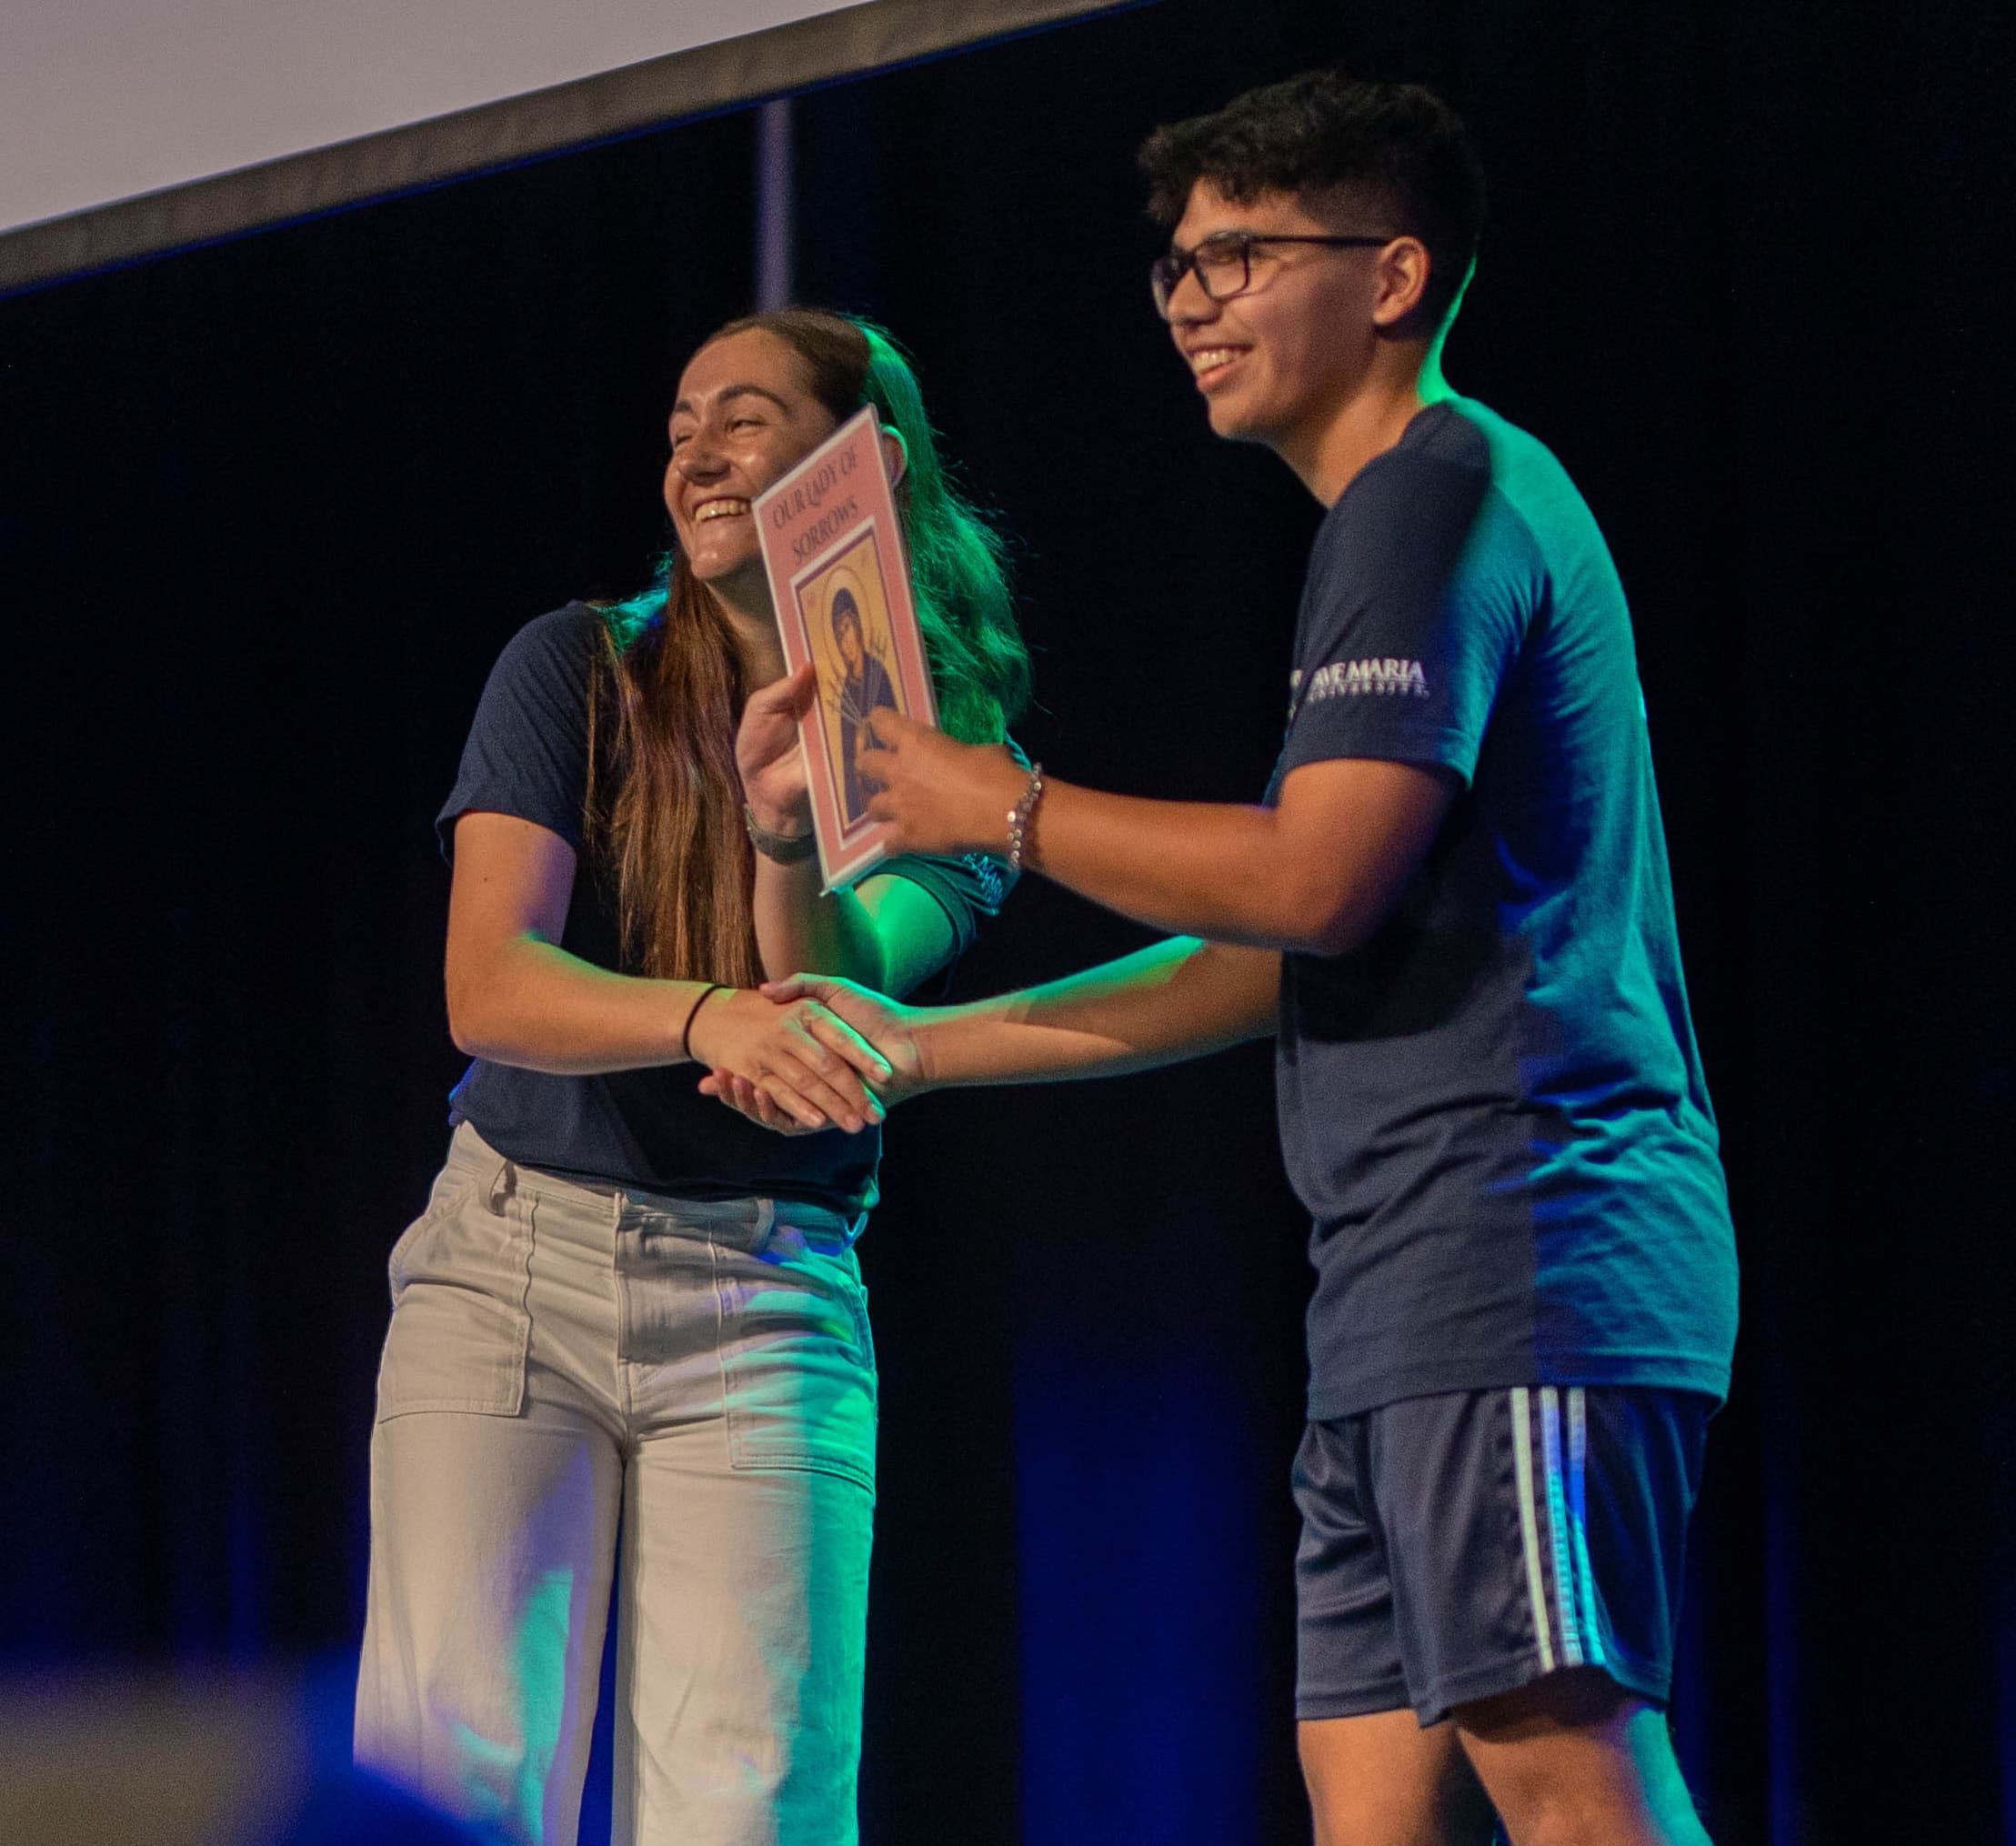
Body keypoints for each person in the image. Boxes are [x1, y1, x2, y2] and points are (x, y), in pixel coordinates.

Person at [707, 74, 1737, 1846]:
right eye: (1176, 267)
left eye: (1241, 256)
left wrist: (997, 800)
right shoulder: (1377, 529)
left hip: (1518, 1241)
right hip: (1393, 1281)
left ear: (1394, 275)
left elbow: (1314, 881)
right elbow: (1271, 944)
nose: (1191, 302)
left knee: (1566, 1791)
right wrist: (916, 1039)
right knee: (1364, 1806)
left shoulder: (1437, 491)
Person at [353, 306, 1030, 1846]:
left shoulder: (947, 751)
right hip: (515, 1270)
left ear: (867, 463)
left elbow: (840, 1004)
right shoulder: (577, 665)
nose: (695, 453)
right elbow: (489, 985)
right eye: (677, 426)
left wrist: (788, 836)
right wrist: (705, 1014)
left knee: (754, 1806)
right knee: (453, 1788)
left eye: (743, 417)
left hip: (765, 1301)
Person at [827, 585, 898, 826]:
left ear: (858, 626)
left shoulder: (878, 673)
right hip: (867, 805)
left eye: (846, 629)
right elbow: (848, 773)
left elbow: (900, 735)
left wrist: (869, 735)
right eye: (838, 635)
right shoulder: (846, 692)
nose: (844, 642)